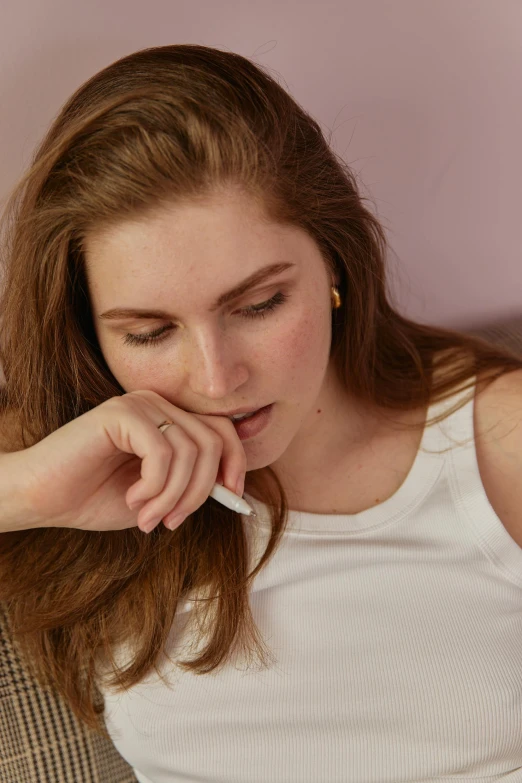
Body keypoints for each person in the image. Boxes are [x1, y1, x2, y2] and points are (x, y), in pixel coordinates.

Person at [0, 44, 521, 783]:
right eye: (149, 332)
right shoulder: (58, 449)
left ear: (335, 261)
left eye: (259, 304)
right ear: (91, 333)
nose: (217, 378)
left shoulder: (495, 442)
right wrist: (24, 494)